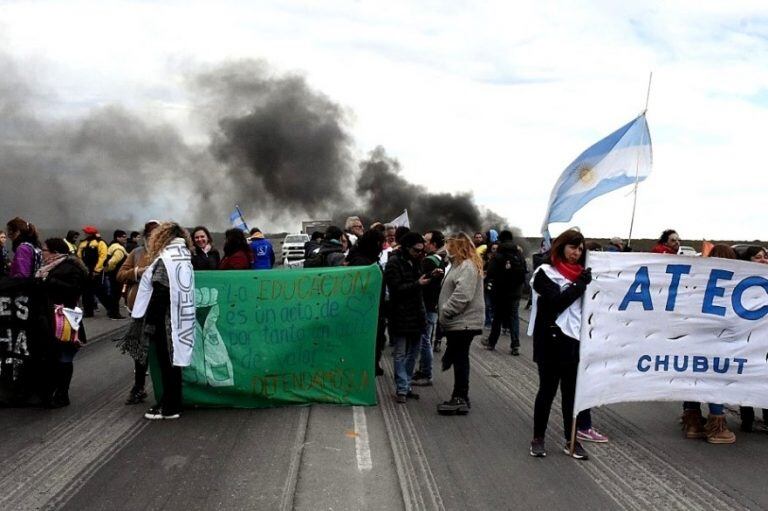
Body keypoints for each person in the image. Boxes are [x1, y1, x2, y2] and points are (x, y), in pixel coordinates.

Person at [529, 229, 592, 460]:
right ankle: (538, 438)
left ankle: (571, 440)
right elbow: (555, 303)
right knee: (547, 390)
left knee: (571, 394)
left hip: (574, 341)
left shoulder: (582, 274)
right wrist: (578, 286)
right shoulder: (544, 273)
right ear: (562, 247)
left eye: (580, 249)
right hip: (550, 340)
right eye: (573, 248)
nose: (576, 253)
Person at [130, 222, 195, 420]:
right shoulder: (184, 255)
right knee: (174, 364)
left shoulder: (165, 259)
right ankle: (173, 403)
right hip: (181, 319)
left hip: (166, 322)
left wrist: (150, 323)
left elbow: (159, 292)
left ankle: (170, 406)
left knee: (167, 364)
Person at [680, 244, 738, 444]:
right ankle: (716, 427)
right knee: (715, 379)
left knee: (694, 377)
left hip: (696, 339)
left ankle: (693, 422)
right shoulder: (733, 283)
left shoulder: (699, 281)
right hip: (719, 340)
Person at [436, 233, 485, 415]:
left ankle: (460, 397)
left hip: (462, 322)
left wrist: (446, 311)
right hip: (460, 322)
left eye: (449, 244)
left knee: (460, 358)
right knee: (459, 357)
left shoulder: (466, 266)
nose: (446, 247)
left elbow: (463, 295)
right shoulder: (460, 265)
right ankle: (461, 396)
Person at [36, 238, 88, 407]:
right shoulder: (49, 268)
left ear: (55, 252)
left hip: (65, 320)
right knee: (53, 357)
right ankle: (50, 393)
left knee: (64, 357)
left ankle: (62, 394)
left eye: (44, 250)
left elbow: (74, 290)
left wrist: (48, 280)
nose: (42, 253)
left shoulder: (71, 268)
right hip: (50, 319)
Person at [116, 220, 159, 405]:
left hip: (161, 307)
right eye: (149, 235)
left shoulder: (168, 254)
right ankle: (139, 387)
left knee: (164, 349)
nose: (152, 238)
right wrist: (137, 272)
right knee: (140, 349)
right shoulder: (137, 253)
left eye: (156, 234)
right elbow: (120, 274)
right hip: (140, 308)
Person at [384, 232, 429, 403]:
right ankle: (402, 388)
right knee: (401, 353)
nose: (420, 254)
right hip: (401, 314)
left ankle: (407, 384)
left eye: (421, 251)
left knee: (413, 353)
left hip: (416, 314)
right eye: (417, 251)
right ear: (407, 247)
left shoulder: (417, 262)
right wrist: (418, 284)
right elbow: (395, 289)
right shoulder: (394, 263)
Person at [346, 229, 387, 375]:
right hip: (366, 315)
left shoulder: (365, 258)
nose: (384, 246)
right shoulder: (362, 262)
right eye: (382, 242)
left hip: (372, 312)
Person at [737, 245, 768, 433]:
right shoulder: (739, 281)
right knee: (746, 375)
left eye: (765, 257)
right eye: (758, 257)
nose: (763, 260)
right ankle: (746, 417)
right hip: (748, 336)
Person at [481, 230, 527, 355]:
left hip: (500, 292)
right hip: (515, 292)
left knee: (497, 318)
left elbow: (490, 272)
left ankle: (491, 343)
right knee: (514, 317)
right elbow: (524, 272)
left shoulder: (498, 253)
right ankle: (515, 345)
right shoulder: (519, 253)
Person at [412, 230, 445, 386]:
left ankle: (426, 373)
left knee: (424, 341)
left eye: (426, 241)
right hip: (435, 305)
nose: (424, 244)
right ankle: (423, 370)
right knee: (428, 340)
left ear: (434, 244)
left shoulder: (427, 261)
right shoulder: (442, 261)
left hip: (426, 305)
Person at [77, 225, 110, 317]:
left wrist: (97, 270)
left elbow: (102, 257)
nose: (85, 234)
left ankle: (111, 309)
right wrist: (82, 268)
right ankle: (88, 312)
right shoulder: (83, 243)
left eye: (86, 232)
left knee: (100, 291)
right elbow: (79, 257)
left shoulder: (100, 243)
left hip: (95, 271)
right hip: (85, 271)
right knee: (86, 293)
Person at [104, 230, 129, 319]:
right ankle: (115, 313)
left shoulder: (112, 246)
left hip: (113, 274)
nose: (125, 238)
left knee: (113, 294)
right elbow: (113, 261)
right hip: (117, 274)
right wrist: (109, 270)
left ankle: (112, 312)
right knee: (116, 294)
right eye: (123, 236)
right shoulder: (119, 249)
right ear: (117, 237)